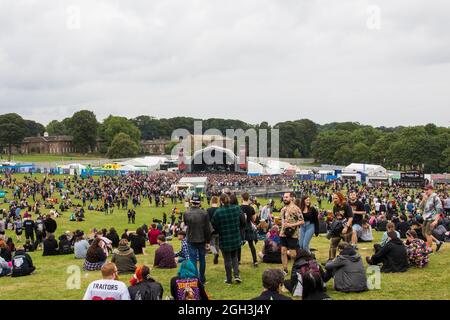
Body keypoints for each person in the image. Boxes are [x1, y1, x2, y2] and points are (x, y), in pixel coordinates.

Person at [211, 193, 244, 284]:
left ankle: (229, 279)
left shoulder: (218, 212)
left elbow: (214, 226)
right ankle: (236, 275)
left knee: (227, 259)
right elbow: (243, 220)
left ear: (221, 201)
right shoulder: (236, 208)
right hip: (235, 236)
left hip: (225, 237)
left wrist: (219, 230)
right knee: (234, 257)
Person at [183, 194, 211, 283]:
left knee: (193, 260)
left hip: (191, 238)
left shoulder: (186, 213)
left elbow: (186, 225)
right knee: (202, 259)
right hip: (201, 239)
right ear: (199, 203)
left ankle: (196, 279)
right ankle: (201, 279)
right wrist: (208, 241)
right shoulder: (204, 213)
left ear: (191, 202)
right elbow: (207, 229)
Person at [279, 192, 304, 275]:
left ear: (291, 198)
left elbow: (302, 221)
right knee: (283, 251)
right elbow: (282, 221)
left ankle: (295, 269)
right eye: (284, 197)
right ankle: (285, 270)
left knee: (293, 254)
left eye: (286, 197)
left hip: (293, 234)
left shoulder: (296, 209)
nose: (284, 199)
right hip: (283, 233)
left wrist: (291, 225)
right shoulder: (283, 209)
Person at [329, 192, 354, 260]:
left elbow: (351, 217)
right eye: (333, 198)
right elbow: (335, 217)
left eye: (336, 198)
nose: (334, 200)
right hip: (337, 229)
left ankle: (348, 260)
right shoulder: (335, 207)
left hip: (346, 230)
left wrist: (346, 227)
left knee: (347, 246)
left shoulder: (346, 205)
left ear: (340, 198)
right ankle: (331, 260)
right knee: (333, 245)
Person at [419, 184, 443, 251]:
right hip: (426, 217)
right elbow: (420, 207)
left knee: (427, 233)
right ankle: (438, 242)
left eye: (427, 189)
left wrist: (436, 220)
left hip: (432, 218)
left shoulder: (435, 197)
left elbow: (439, 209)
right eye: (425, 189)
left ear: (431, 189)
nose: (425, 191)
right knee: (424, 234)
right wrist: (423, 200)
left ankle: (429, 249)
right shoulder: (426, 197)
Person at [241, 192, 258, 267]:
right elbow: (254, 219)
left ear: (242, 198)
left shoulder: (239, 208)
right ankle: (255, 261)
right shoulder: (251, 208)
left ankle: (237, 260)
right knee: (251, 245)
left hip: (242, 228)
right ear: (248, 198)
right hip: (248, 226)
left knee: (239, 245)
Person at [208, 196, 220, 265]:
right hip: (218, 229)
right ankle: (217, 254)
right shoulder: (219, 209)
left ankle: (215, 254)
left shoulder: (208, 210)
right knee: (217, 244)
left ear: (211, 201)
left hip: (211, 230)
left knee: (212, 244)